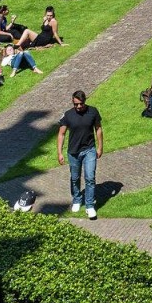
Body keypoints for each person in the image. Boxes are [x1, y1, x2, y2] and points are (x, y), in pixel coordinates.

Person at [56, 90, 103, 219]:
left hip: (90, 150)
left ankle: (89, 206)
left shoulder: (93, 112)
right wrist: (59, 152)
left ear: (84, 101)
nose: (78, 106)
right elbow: (61, 134)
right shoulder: (68, 115)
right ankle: (76, 199)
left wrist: (100, 147)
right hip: (73, 152)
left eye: (80, 104)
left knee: (90, 177)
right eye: (75, 104)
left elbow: (98, 129)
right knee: (75, 178)